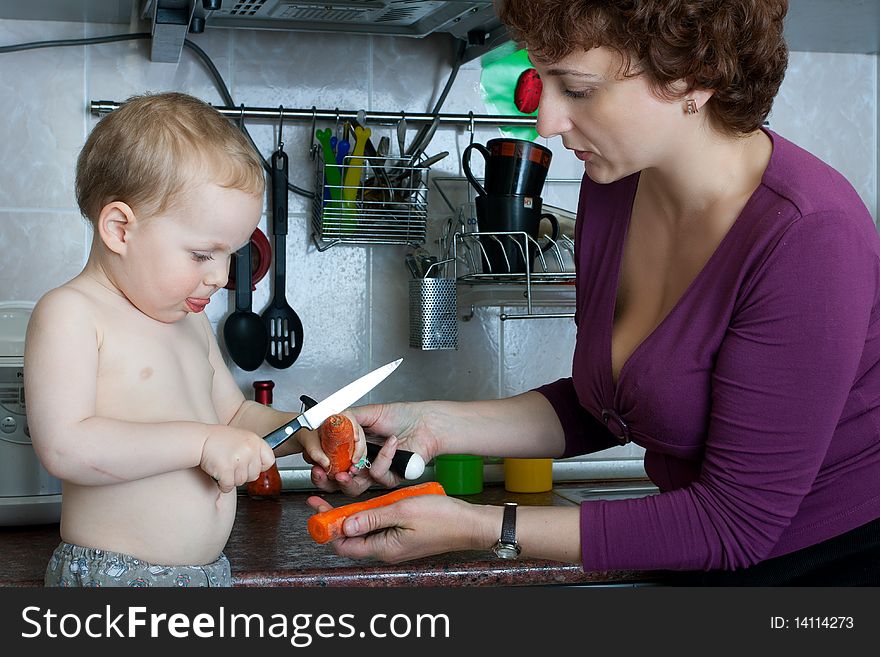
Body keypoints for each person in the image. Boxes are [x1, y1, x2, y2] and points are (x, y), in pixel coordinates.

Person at [307, 0, 880, 584]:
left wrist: (480, 526)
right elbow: (613, 403)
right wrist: (431, 423)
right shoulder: (615, 185)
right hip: (692, 559)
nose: (546, 123)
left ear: (692, 77)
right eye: (541, 82)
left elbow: (734, 526)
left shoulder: (809, 235)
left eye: (577, 89)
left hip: (828, 572)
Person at [24, 92, 364, 587]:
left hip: (207, 576)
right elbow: (66, 447)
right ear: (120, 229)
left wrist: (301, 433)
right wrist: (203, 442)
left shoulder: (189, 322)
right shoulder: (72, 314)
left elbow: (233, 417)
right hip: (118, 580)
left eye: (233, 255)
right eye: (203, 255)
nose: (221, 276)